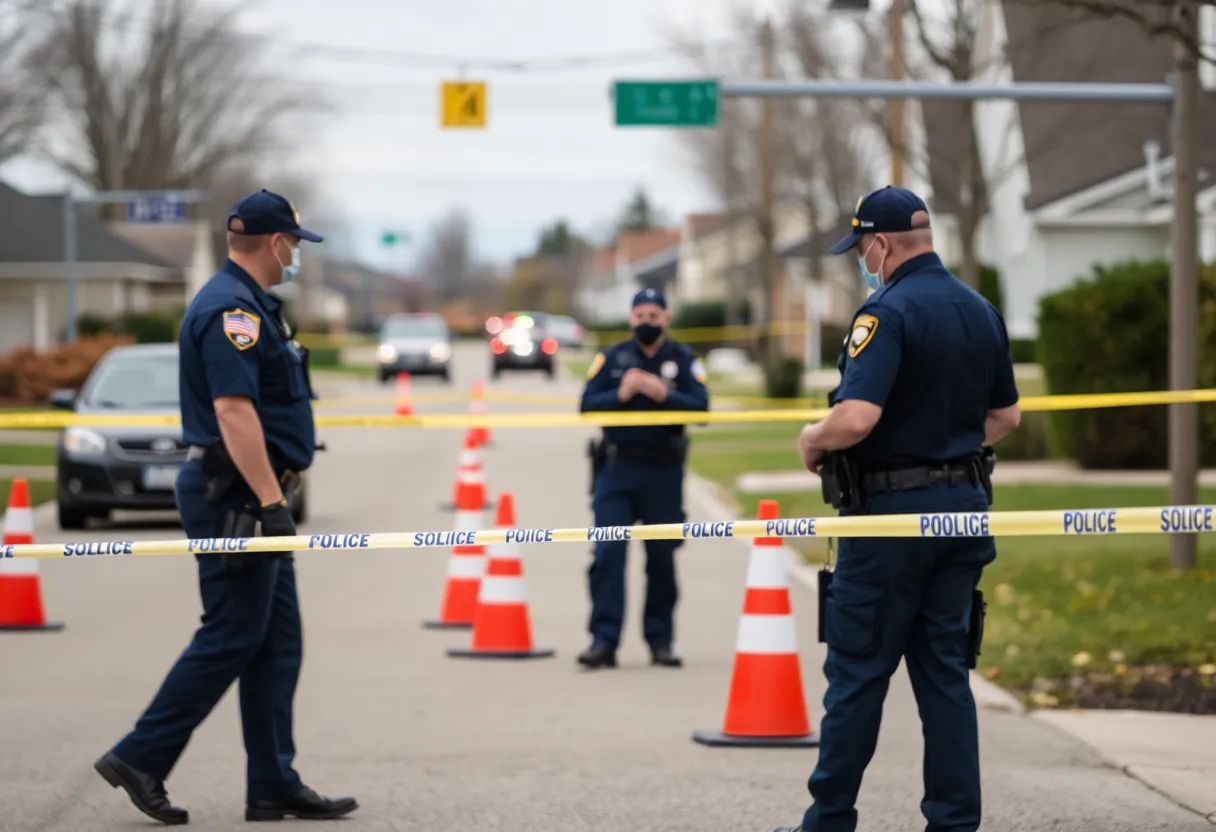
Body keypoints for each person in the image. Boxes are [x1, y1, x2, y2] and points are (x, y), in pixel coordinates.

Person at [94, 190, 357, 826]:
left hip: (252, 493)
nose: (295, 253)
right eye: (294, 243)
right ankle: (141, 756)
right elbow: (233, 412)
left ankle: (272, 783)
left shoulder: (250, 307)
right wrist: (271, 500)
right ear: (274, 244)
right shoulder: (230, 312)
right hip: (234, 499)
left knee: (277, 641)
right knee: (233, 634)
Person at [770, 186, 1021, 832]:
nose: (862, 259)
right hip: (962, 512)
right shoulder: (980, 309)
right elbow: (1006, 417)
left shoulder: (884, 314)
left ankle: (827, 823)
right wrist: (947, 454)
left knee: (856, 675)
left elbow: (856, 417)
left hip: (888, 521)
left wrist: (812, 437)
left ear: (880, 244)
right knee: (943, 675)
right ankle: (954, 823)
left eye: (861, 248)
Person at [577, 288, 710, 670]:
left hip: (663, 473)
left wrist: (662, 392)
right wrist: (620, 393)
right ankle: (603, 641)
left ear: (666, 319)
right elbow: (586, 405)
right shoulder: (612, 357)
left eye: (654, 316)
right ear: (630, 318)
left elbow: (702, 409)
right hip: (616, 472)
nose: (646, 323)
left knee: (662, 560)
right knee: (607, 555)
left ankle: (661, 642)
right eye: (640, 316)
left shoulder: (682, 359)